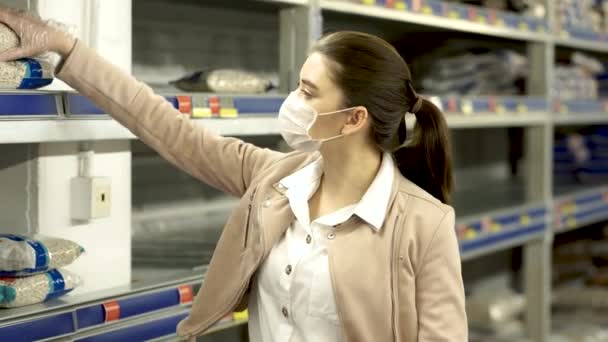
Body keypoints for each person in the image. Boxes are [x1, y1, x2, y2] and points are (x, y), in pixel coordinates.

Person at [0, 7, 467, 341]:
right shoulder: (275, 179)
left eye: (308, 92)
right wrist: (65, 47)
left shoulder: (422, 225)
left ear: (353, 118)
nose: (294, 103)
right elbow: (165, 126)